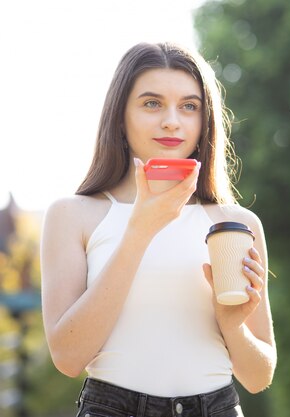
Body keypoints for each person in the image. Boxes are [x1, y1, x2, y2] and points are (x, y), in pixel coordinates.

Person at [40, 42, 276, 417]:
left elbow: (259, 375)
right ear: (120, 116)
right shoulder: (73, 215)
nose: (171, 120)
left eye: (189, 106)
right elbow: (68, 358)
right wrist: (139, 233)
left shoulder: (236, 224)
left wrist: (233, 326)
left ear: (204, 121)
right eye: (152, 103)